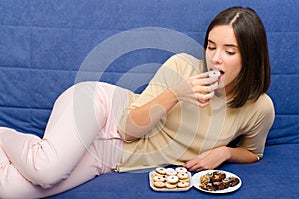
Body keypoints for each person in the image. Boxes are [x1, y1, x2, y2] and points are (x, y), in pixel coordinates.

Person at [0, 6, 274, 198]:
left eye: (229, 51)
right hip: (103, 110)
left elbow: (253, 152)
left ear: (250, 57)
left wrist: (225, 152)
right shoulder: (182, 67)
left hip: (113, 158)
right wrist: (176, 93)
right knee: (46, 169)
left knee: (10, 190)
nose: (215, 58)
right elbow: (127, 129)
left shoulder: (260, 108)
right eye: (211, 46)